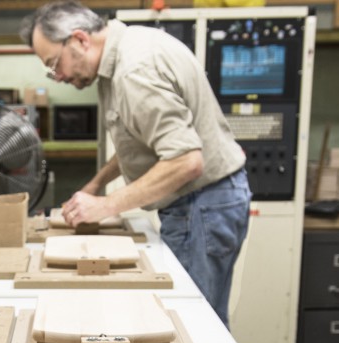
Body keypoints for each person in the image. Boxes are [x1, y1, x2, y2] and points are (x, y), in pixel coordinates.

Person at [19, 0, 251, 326]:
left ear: (80, 40)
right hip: (204, 202)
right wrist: (97, 183)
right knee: (194, 319)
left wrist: (105, 206)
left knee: (195, 327)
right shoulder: (129, 49)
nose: (57, 76)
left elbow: (186, 161)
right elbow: (143, 139)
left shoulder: (135, 71)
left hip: (203, 206)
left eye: (54, 63)